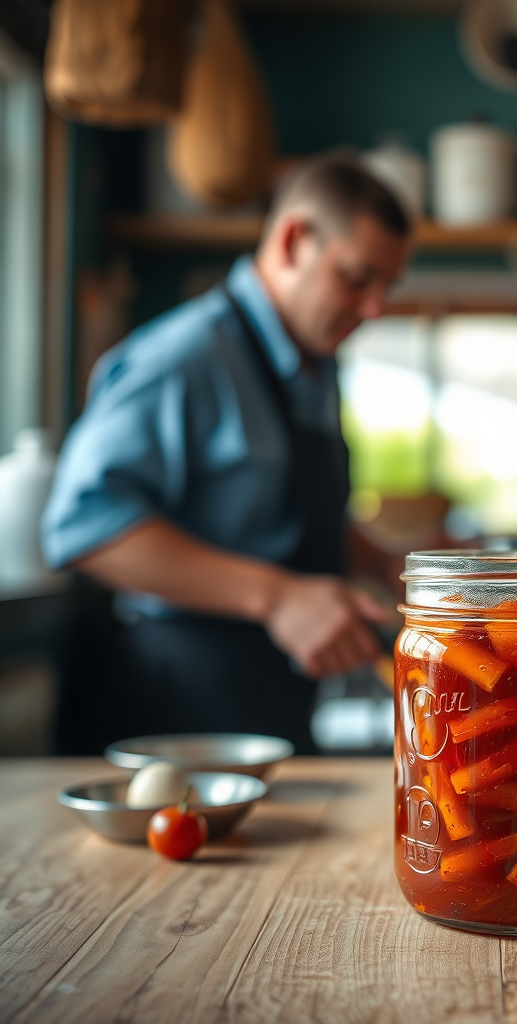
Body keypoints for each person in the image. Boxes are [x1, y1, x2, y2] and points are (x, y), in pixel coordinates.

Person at [43, 154, 412, 755]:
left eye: (387, 287)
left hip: (275, 702)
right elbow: (81, 528)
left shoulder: (312, 368)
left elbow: (277, 514)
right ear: (294, 241)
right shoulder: (182, 359)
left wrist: (390, 563)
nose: (374, 309)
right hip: (179, 707)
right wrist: (278, 596)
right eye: (357, 278)